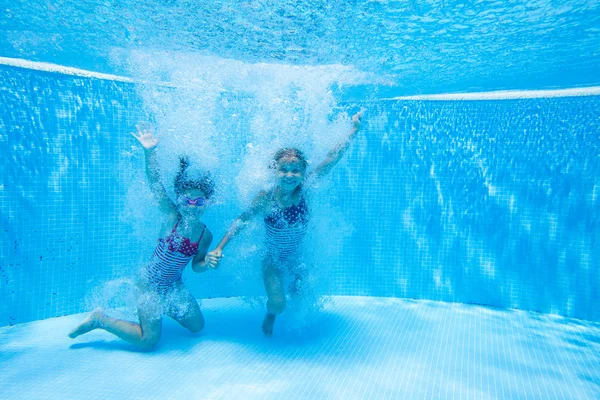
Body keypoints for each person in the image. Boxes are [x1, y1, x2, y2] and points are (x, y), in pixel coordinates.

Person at [207, 110, 364, 336]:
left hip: (296, 257)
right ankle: (270, 314)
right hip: (272, 260)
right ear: (275, 171)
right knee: (278, 304)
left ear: (303, 173)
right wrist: (220, 247)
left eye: (296, 170)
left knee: (303, 291)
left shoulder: (306, 189)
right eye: (284, 170)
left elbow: (332, 158)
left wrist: (353, 130)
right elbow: (242, 220)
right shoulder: (266, 198)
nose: (290, 175)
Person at [69, 123, 221, 350]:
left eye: (199, 202)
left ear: (207, 203)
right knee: (148, 340)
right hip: (148, 284)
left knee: (198, 326)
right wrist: (149, 152)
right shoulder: (172, 216)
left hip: (173, 286)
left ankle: (166, 306)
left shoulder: (204, 235)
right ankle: (100, 319)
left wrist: (207, 262)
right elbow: (155, 184)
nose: (192, 206)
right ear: (179, 200)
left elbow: (196, 266)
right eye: (186, 200)